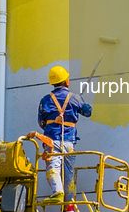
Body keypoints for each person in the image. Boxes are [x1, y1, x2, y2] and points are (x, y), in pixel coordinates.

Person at [37, 65, 92, 202]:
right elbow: (88, 112)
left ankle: (58, 192)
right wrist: (82, 102)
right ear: (66, 81)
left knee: (53, 166)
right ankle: (69, 203)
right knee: (69, 172)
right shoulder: (75, 98)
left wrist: (53, 124)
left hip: (51, 140)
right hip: (68, 141)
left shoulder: (45, 100)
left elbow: (41, 122)